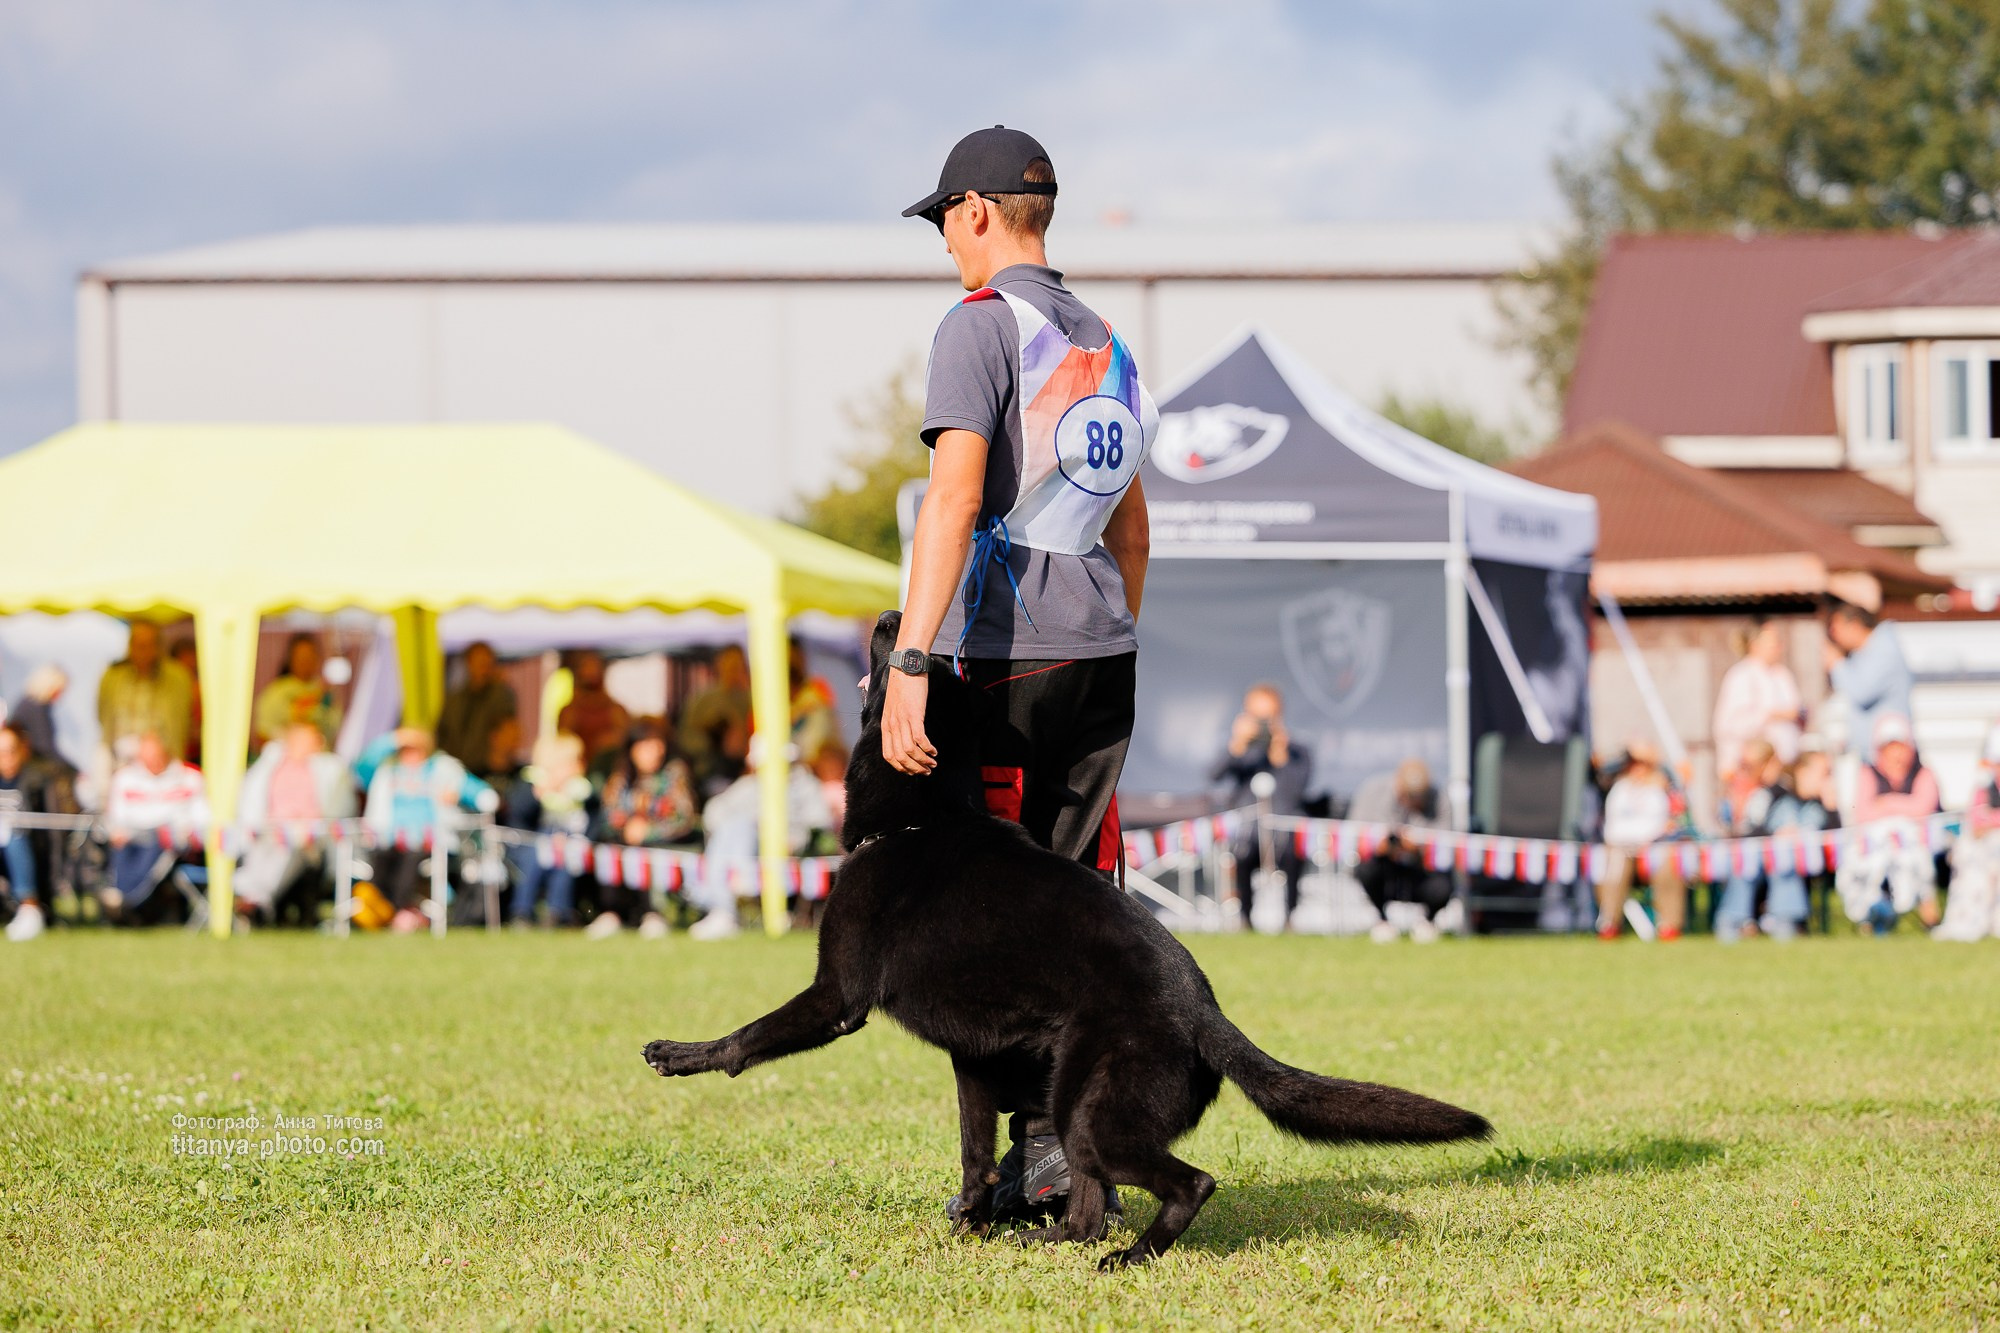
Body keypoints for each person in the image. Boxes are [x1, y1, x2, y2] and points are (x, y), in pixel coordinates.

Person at [890, 127, 1155, 1227]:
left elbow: (951, 504)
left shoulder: (979, 326)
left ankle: (1011, 1172)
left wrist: (911, 661)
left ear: (976, 212)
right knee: (1081, 908)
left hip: (1004, 661)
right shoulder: (1107, 343)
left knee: (984, 922)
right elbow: (1132, 533)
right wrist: (1102, 629)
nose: (945, 242)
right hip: (1099, 656)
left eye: (943, 220)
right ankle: (1061, 1155)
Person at [688, 735, 831, 941]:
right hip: (745, 845)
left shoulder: (805, 785)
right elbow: (713, 812)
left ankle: (724, 905)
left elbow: (820, 821)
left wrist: (793, 838)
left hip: (787, 848)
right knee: (737, 827)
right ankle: (728, 901)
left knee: (739, 828)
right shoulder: (749, 785)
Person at [361, 727, 497, 932]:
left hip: (430, 840)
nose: (410, 754)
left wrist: (457, 795)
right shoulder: (388, 773)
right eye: (405, 749)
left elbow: (486, 797)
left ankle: (400, 910)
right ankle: (382, 909)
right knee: (382, 859)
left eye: (415, 748)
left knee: (410, 859)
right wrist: (393, 739)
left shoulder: (443, 770)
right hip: (390, 839)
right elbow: (362, 766)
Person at [1210, 683, 1313, 931]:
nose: (1263, 725)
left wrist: (1281, 755)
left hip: (1283, 831)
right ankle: (1245, 920)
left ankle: (1290, 919)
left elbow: (1297, 791)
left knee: (1293, 851)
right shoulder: (1242, 752)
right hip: (1248, 831)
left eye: (1268, 717)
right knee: (1242, 852)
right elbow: (1213, 775)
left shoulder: (1297, 752)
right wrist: (1236, 745)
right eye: (1257, 717)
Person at [234, 720, 356, 926]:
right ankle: (254, 899)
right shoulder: (268, 767)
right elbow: (249, 802)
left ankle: (255, 898)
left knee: (290, 842)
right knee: (267, 845)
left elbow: (340, 808)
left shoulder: (331, 768)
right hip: (268, 830)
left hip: (310, 835)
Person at [589, 719, 697, 939]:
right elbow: (609, 813)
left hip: (663, 844)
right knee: (608, 847)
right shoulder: (622, 777)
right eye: (647, 746)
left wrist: (649, 830)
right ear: (633, 749)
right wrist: (627, 827)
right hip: (625, 841)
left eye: (658, 744)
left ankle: (654, 914)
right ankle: (612, 913)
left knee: (647, 851)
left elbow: (684, 818)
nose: (655, 751)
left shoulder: (674, 774)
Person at [1836, 713, 1942, 934]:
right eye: (1890, 747)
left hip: (1917, 843)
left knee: (1914, 858)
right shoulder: (1868, 773)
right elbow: (1862, 814)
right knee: (1868, 859)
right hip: (1875, 845)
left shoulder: (1924, 773)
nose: (1896, 754)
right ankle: (1870, 912)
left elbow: (1923, 810)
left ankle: (1926, 913)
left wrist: (1886, 803)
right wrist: (1903, 807)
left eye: (1900, 746)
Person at [102, 729, 208, 922]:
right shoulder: (125, 777)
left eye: (157, 756)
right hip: (132, 835)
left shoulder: (190, 777)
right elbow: (115, 817)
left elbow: (202, 816)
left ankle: (127, 898)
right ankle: (122, 895)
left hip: (170, 837)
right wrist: (117, 832)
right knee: (123, 846)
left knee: (158, 844)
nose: (153, 762)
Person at [1715, 744, 1817, 942]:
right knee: (1745, 865)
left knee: (1782, 859)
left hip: (1783, 854)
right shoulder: (1748, 792)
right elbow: (1744, 830)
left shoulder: (1783, 789)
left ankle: (1784, 920)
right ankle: (1732, 922)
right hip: (1752, 854)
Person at [1594, 741, 1688, 941]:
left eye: (1643, 764)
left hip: (1654, 845)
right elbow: (1600, 769)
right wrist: (1629, 751)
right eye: (1633, 763)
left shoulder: (1662, 785)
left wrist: (1654, 759)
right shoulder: (1617, 784)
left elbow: (1680, 792)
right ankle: (1609, 923)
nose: (1638, 769)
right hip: (1620, 845)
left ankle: (1669, 925)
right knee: (1614, 866)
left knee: (1668, 863)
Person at [1348, 758, 1450, 944]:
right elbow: (1356, 834)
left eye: (1418, 797)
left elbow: (1446, 843)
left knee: (1444, 884)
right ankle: (1381, 920)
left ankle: (1427, 922)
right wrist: (1382, 846)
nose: (1412, 801)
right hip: (1385, 866)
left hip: (1420, 868)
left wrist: (1418, 847)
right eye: (1408, 796)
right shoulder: (1374, 791)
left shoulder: (1439, 798)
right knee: (1366, 870)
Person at [506, 732, 596, 929]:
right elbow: (519, 814)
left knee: (565, 863)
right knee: (535, 858)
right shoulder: (531, 785)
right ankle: (522, 911)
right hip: (530, 845)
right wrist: (540, 792)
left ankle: (558, 912)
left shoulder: (583, 791)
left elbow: (594, 820)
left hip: (568, 847)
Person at [2, 723, 72, 942]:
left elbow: (50, 831)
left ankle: (29, 908)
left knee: (15, 836)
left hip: (27, 847)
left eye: (10, 751)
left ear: (23, 750)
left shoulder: (36, 780)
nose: (6, 758)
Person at [1936, 722, 2000, 942]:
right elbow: (1976, 818)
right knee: (1968, 851)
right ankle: (1968, 919)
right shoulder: (1985, 784)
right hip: (1984, 848)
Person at [1713, 620, 1802, 776]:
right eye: (1772, 643)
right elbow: (1729, 725)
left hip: (1783, 768)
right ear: (1755, 644)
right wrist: (1772, 715)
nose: (1778, 648)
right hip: (1751, 769)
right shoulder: (1741, 676)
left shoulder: (1781, 674)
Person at [1825, 604, 1913, 762]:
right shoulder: (1865, 653)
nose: (1834, 637)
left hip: (1889, 755)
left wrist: (1837, 665)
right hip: (1874, 754)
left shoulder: (1883, 651)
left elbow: (1861, 692)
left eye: (1835, 630)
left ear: (1854, 625)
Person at [98, 621, 195, 765]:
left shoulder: (176, 678)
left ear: (158, 647)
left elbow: (183, 721)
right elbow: (102, 713)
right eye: (137, 645)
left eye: (147, 645)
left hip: (161, 764)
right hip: (120, 761)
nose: (142, 651)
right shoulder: (113, 677)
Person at [435, 642, 517, 779]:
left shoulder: (501, 696)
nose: (483, 669)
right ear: (468, 664)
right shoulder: (454, 700)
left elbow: (507, 731)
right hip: (456, 769)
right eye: (479, 663)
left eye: (487, 663)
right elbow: (442, 733)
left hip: (487, 770)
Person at [679, 645, 752, 795]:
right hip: (711, 771)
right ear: (719, 665)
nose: (733, 670)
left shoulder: (752, 698)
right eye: (729, 664)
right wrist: (714, 740)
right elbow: (686, 737)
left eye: (737, 664)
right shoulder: (703, 700)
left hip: (747, 769)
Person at [253, 633, 341, 749]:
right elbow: (263, 734)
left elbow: (335, 728)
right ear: (291, 658)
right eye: (301, 656)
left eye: (310, 656)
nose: (305, 662)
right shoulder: (276, 692)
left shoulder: (325, 690)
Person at [556, 650, 631, 768]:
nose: (591, 672)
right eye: (586, 667)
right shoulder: (569, 711)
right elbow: (564, 744)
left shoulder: (615, 710)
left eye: (595, 667)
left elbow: (625, 739)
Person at [788, 639, 840, 764]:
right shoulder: (769, 696)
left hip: (817, 759)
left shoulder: (817, 688)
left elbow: (832, 726)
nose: (792, 662)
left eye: (795, 657)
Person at [9, 665, 67, 769]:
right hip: (29, 766)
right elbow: (44, 746)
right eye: (58, 691)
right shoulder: (35, 707)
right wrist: (71, 769)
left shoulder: (30, 703)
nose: (59, 697)